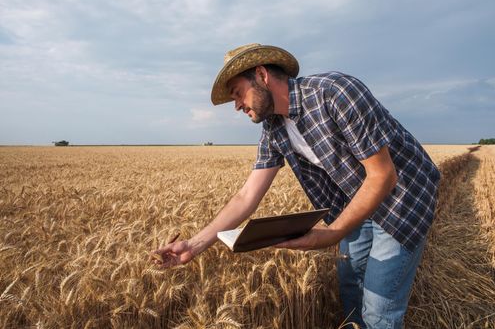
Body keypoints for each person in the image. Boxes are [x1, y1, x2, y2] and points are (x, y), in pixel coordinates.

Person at [152, 43, 440, 328]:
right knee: (351, 288)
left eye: (238, 94)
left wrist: (331, 234)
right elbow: (246, 196)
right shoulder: (274, 128)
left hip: (402, 198)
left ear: (262, 75)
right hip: (359, 200)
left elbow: (383, 176)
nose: (237, 106)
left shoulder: (335, 93)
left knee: (379, 309)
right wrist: (194, 244)